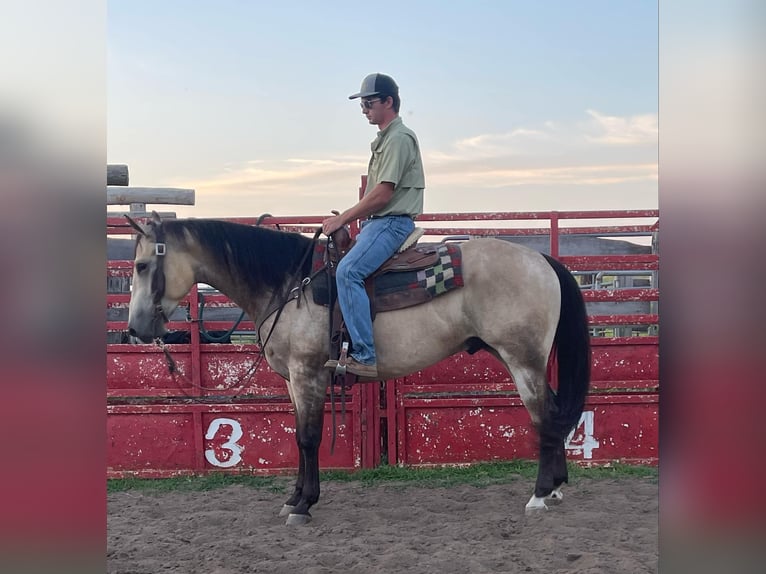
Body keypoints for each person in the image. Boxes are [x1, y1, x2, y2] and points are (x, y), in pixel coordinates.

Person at [322, 73, 425, 379]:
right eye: (362, 105)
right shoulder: (387, 139)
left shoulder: (397, 138)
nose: (364, 109)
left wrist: (343, 219)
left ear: (388, 102)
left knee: (349, 271)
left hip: (390, 223)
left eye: (369, 103)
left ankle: (365, 355)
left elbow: (383, 193)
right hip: (379, 223)